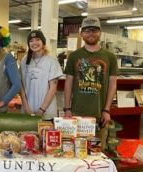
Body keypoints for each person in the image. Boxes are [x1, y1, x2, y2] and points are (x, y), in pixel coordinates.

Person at [63, 16, 118, 150]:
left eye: (94, 30)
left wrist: (106, 109)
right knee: (76, 152)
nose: (91, 33)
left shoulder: (110, 57)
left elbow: (112, 85)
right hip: (77, 114)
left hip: (100, 116)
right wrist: (67, 109)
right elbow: (68, 83)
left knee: (98, 154)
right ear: (82, 34)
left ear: (100, 32)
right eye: (87, 30)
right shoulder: (74, 56)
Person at [20, 30, 63, 120]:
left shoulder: (51, 60)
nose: (34, 43)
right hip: (27, 111)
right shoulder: (24, 60)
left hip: (47, 112)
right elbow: (22, 86)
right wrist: (26, 107)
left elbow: (53, 88)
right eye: (31, 41)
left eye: (37, 39)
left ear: (43, 42)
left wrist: (42, 110)